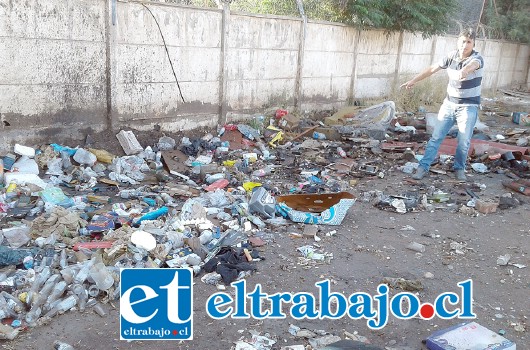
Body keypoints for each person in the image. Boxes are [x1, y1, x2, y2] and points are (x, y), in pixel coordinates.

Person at [401, 28, 484, 182]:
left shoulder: (477, 58)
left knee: (464, 141)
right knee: (435, 138)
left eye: (469, 42)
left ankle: (459, 169)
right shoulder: (451, 56)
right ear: (458, 41)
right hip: (449, 104)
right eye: (462, 41)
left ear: (473, 44)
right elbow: (432, 69)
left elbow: (468, 69)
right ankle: (422, 167)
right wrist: (413, 80)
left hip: (468, 107)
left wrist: (459, 72)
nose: (465, 45)